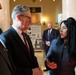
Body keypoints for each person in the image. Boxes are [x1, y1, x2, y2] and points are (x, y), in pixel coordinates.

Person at [0, 5, 43, 75]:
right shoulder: (5, 37)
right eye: (28, 18)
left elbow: (32, 57)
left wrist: (37, 69)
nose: (31, 21)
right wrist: (31, 72)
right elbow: (9, 67)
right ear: (19, 17)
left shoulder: (26, 36)